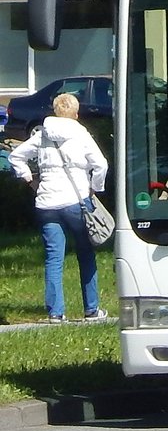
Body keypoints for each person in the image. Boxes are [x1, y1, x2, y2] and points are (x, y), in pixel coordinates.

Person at [8, 92, 110, 323]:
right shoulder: (80, 133)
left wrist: (29, 180)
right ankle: (91, 310)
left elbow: (16, 156)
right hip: (76, 201)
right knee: (86, 252)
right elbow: (100, 164)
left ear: (55, 111)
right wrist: (95, 188)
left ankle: (56, 313)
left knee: (54, 257)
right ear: (75, 112)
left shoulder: (43, 133)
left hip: (46, 203)